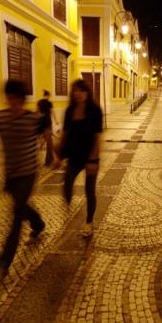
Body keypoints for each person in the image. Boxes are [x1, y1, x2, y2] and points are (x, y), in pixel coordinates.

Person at [0, 79, 54, 285]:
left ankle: (3, 264)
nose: (13, 103)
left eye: (17, 99)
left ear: (22, 100)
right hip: (10, 175)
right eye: (10, 98)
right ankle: (38, 222)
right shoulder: (0, 118)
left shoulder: (33, 119)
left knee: (15, 217)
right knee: (21, 208)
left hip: (28, 173)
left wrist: (55, 155)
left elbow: (48, 134)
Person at [54, 79, 102, 238]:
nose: (78, 94)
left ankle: (89, 222)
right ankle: (67, 209)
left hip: (90, 157)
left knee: (89, 191)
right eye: (75, 91)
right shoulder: (69, 111)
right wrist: (58, 155)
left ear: (87, 92)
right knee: (66, 184)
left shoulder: (95, 110)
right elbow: (65, 134)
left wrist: (93, 160)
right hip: (74, 156)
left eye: (81, 91)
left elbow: (97, 137)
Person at [36, 90, 57, 166]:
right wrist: (56, 120)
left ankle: (35, 158)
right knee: (49, 143)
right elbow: (52, 112)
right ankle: (48, 161)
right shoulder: (49, 103)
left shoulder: (40, 102)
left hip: (40, 124)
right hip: (47, 124)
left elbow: (37, 111)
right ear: (48, 96)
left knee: (40, 140)